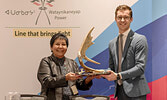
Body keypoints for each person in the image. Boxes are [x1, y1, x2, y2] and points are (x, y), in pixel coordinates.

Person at [101, 5, 150, 100]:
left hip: (136, 93)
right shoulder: (112, 43)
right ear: (115, 19)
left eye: (126, 17)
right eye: (119, 17)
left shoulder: (140, 39)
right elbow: (112, 67)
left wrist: (119, 75)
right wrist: (99, 73)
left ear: (131, 19)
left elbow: (140, 67)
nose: (122, 20)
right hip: (120, 91)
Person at [37, 33, 97, 100]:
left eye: (63, 44)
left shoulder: (72, 63)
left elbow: (80, 85)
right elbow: (46, 82)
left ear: (67, 47)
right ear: (51, 47)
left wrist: (89, 79)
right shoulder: (46, 61)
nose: (60, 47)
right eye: (57, 44)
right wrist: (65, 78)